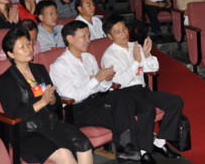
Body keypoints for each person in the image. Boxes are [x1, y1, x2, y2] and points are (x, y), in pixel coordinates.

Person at [50, 21, 146, 163]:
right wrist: (96, 79)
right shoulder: (59, 66)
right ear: (70, 39)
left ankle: (126, 149)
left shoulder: (88, 57)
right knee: (121, 117)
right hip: (78, 108)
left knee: (119, 94)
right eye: (83, 36)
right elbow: (72, 96)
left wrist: (106, 79)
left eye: (89, 36)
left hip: (97, 100)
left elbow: (102, 88)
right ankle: (128, 150)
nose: (88, 40)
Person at [0, 25, 94, 164]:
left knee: (84, 143)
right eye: (22, 47)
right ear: (11, 54)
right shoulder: (6, 80)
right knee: (64, 154)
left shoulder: (39, 70)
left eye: (28, 44)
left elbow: (55, 101)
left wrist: (52, 99)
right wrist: (42, 102)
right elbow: (15, 115)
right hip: (27, 132)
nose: (28, 49)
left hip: (50, 123)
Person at [101, 14, 184, 160]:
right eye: (117, 31)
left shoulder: (136, 46)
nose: (123, 33)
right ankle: (144, 150)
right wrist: (136, 61)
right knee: (147, 108)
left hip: (142, 89)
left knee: (175, 101)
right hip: (124, 95)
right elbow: (120, 82)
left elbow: (153, 69)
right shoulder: (109, 55)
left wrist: (147, 55)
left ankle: (159, 142)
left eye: (124, 28)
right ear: (110, 36)